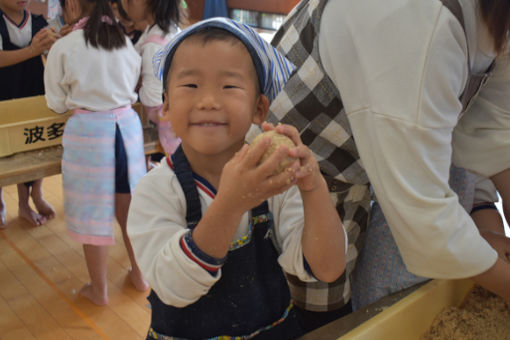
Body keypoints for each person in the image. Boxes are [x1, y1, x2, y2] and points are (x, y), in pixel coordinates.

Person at [264, 0, 510, 318]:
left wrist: (487, 232)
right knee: (313, 301)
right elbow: (422, 211)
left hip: (373, 159)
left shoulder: (493, 22)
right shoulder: (417, 24)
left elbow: (492, 131)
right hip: (307, 168)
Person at [127, 18, 347, 339]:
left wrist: (314, 188)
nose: (208, 101)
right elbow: (175, 288)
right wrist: (230, 205)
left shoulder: (275, 183)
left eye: (229, 86)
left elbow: (328, 268)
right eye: (191, 85)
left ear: (259, 109)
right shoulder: (155, 191)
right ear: (166, 105)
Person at [44, 0, 148, 305]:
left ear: (73, 5)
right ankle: (140, 275)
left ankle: (99, 290)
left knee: (93, 213)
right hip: (127, 130)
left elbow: (55, 102)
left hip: (90, 134)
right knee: (129, 208)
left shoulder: (65, 47)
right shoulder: (125, 43)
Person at [0, 0, 57, 228]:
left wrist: (58, 41)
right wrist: (32, 51)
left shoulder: (38, 21)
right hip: (4, 98)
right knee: (4, 152)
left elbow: (49, 51)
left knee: (33, 148)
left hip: (33, 94)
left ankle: (29, 200)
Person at [121, 0, 183, 158]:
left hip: (167, 122)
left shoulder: (153, 45)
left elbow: (153, 99)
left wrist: (136, 90)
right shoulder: (166, 29)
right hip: (178, 110)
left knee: (176, 165)